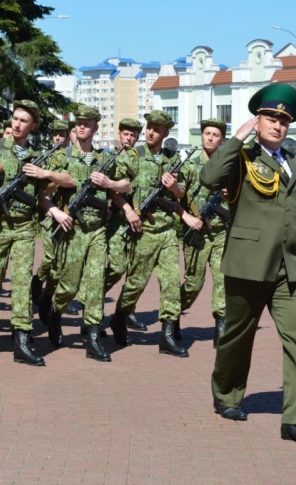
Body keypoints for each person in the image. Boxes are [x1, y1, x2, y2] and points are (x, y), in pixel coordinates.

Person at [200, 83, 296, 448]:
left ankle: (295, 420)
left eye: (284, 120)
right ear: (258, 121)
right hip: (249, 265)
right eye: (271, 117)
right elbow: (208, 179)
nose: (277, 124)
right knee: (238, 337)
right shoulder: (241, 157)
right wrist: (235, 140)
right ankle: (226, 394)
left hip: (292, 271)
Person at [0, 100, 73, 367]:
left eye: (23, 120)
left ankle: (22, 341)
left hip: (25, 227)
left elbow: (65, 181)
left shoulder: (40, 154)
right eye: (14, 118)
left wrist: (52, 201)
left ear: (33, 126)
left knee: (22, 284)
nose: (16, 124)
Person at [39, 105, 127, 362]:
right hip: (73, 231)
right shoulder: (62, 157)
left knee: (95, 283)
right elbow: (43, 192)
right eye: (78, 123)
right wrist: (56, 211)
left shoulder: (104, 159)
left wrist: (110, 184)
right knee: (69, 284)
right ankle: (55, 313)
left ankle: (92, 337)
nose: (81, 127)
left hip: (98, 231)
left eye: (87, 124)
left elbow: (126, 184)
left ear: (95, 128)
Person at [109, 110, 189, 357]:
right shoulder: (133, 156)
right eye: (150, 127)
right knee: (136, 283)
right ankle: (120, 317)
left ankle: (166, 335)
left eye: (157, 128)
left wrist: (175, 187)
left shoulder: (171, 158)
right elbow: (115, 189)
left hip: (166, 232)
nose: (152, 131)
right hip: (143, 231)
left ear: (166, 133)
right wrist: (128, 211)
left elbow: (181, 193)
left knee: (171, 284)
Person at [79, 118, 147, 334]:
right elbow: (113, 191)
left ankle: (126, 311)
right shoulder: (113, 158)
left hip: (140, 222)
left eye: (133, 135)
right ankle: (90, 300)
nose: (129, 138)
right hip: (118, 221)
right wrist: (127, 210)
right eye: (126, 134)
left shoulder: (141, 158)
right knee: (117, 267)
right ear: (119, 135)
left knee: (136, 271)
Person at [178, 119, 227, 347]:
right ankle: (173, 314)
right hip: (196, 233)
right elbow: (177, 196)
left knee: (222, 279)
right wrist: (186, 217)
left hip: (221, 232)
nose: (210, 138)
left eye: (215, 135)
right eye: (207, 133)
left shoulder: (229, 165)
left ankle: (221, 327)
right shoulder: (189, 165)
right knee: (193, 283)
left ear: (222, 139)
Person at [32, 119, 71, 311]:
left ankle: (52, 297)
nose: (57, 137)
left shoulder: (73, 157)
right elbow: (39, 190)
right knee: (50, 258)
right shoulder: (45, 158)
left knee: (62, 262)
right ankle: (37, 282)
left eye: (62, 134)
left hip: (69, 215)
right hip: (49, 213)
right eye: (55, 134)